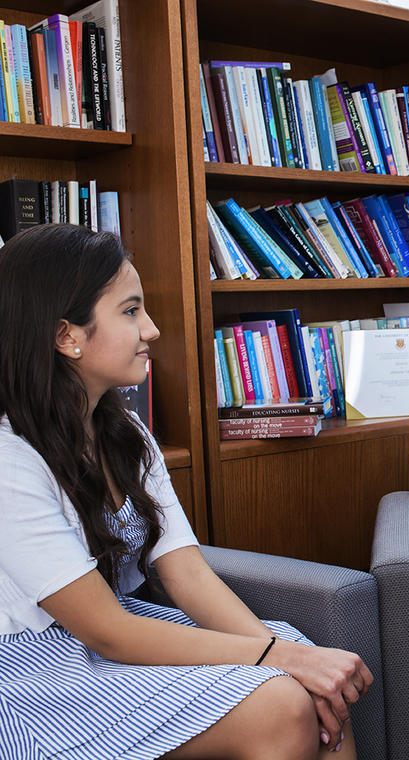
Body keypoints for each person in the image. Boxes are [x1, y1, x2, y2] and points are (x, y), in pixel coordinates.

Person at [0, 224, 373, 760]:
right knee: (283, 701)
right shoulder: (11, 459)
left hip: (121, 634)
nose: (151, 329)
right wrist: (273, 659)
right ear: (67, 336)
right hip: (38, 671)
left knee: (313, 670)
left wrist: (284, 654)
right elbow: (105, 630)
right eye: (130, 312)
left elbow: (186, 572)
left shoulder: (127, 433)